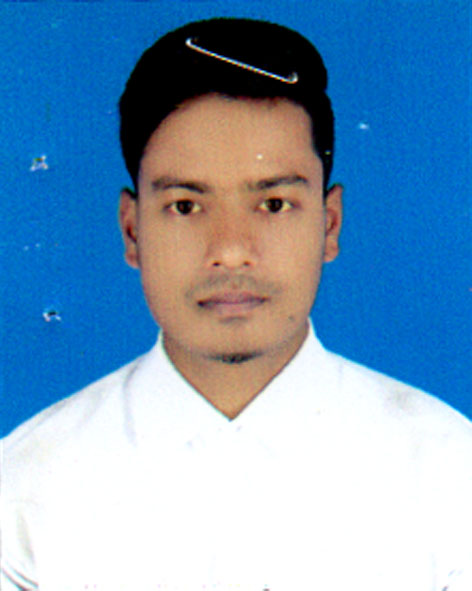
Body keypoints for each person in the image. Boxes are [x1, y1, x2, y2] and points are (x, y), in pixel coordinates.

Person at [2, 17, 471, 591]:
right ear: (132, 230)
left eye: (273, 204)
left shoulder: (451, 477)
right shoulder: (22, 493)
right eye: (185, 206)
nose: (229, 251)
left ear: (329, 224)